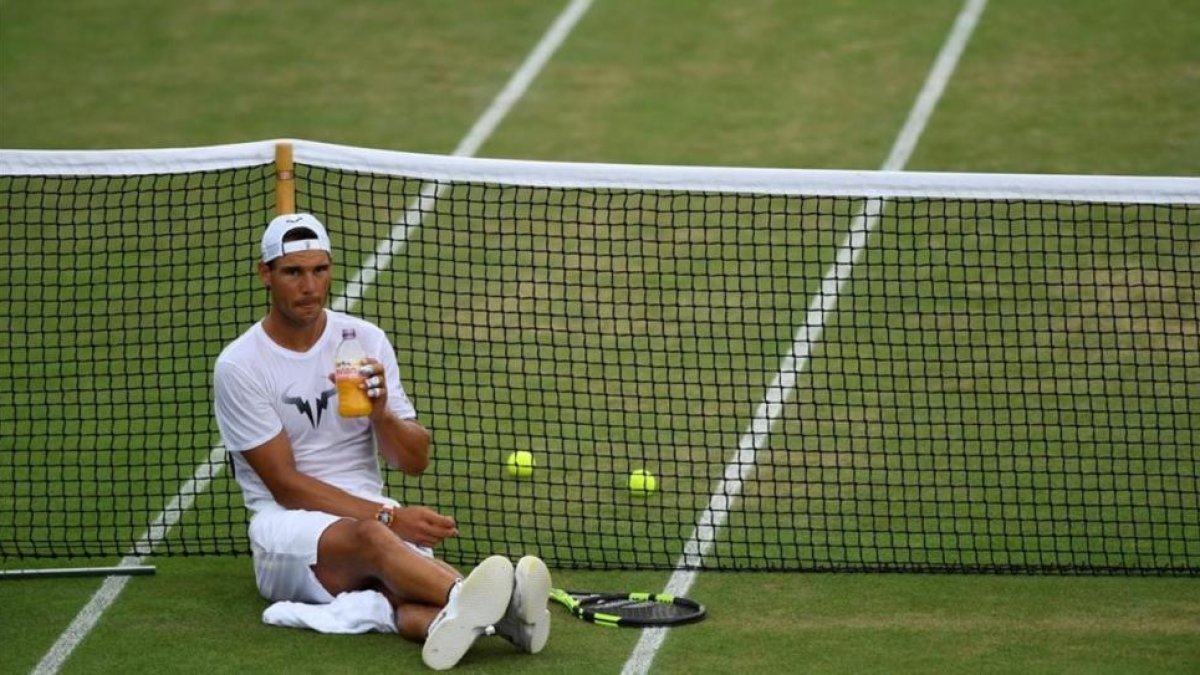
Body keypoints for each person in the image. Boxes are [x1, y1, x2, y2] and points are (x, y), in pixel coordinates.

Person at [213, 212, 551, 670]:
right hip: (285, 533)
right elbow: (285, 486)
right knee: (375, 538)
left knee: (399, 593)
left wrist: (382, 413)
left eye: (319, 270)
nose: (309, 286)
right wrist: (389, 516)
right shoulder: (241, 365)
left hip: (370, 517)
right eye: (293, 272)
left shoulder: (365, 340)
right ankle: (498, 603)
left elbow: (414, 460)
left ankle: (479, 624)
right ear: (266, 275)